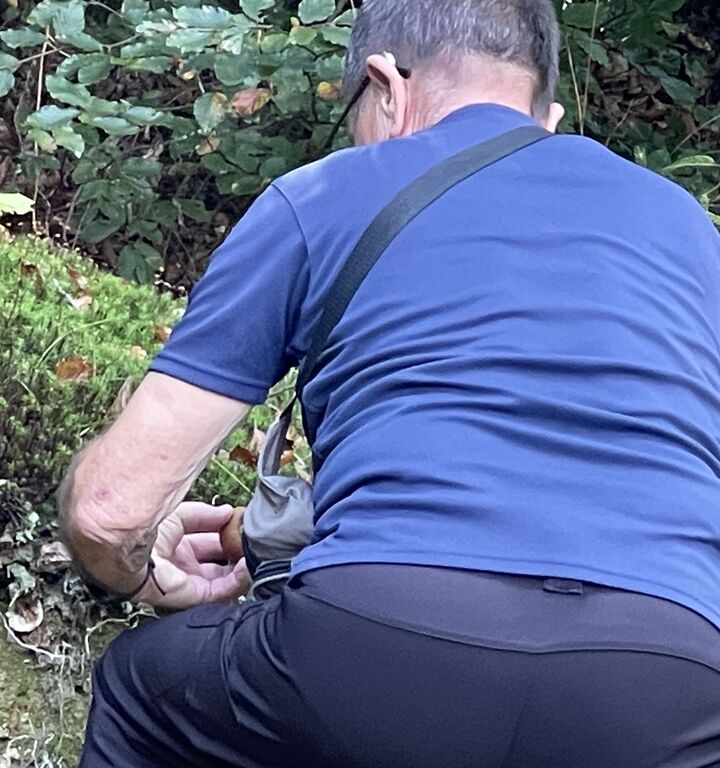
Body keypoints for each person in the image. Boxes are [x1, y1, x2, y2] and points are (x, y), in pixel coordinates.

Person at [58, 0, 720, 765]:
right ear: (548, 118)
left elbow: (109, 513)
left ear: (384, 86)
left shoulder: (326, 194)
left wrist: (145, 576)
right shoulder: (691, 234)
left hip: (383, 642)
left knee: (143, 692)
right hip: (672, 678)